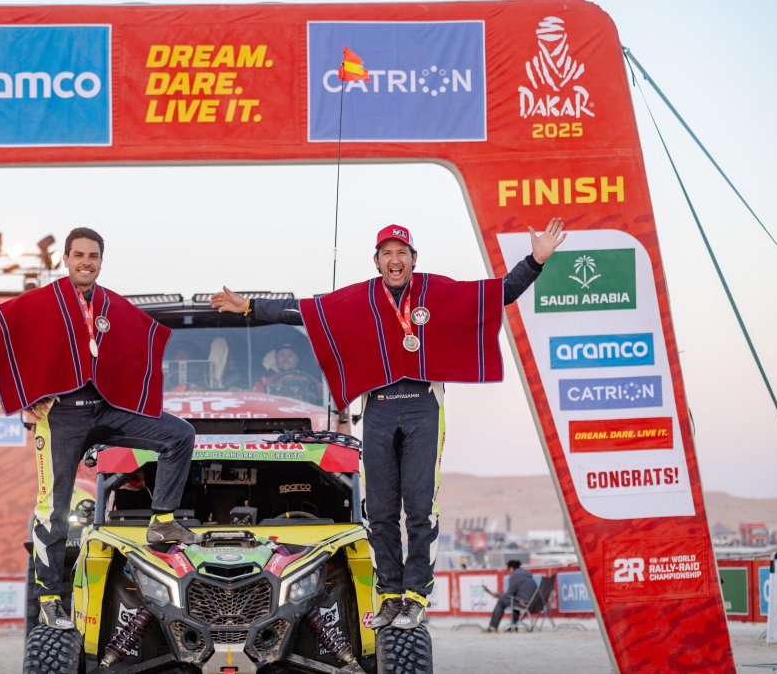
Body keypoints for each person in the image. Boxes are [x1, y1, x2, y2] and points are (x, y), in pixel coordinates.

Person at [211, 218, 565, 630]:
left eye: (402, 253)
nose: (395, 260)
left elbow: (497, 293)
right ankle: (390, 595)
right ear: (376, 261)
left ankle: (415, 596)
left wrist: (536, 261)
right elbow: (305, 310)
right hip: (377, 406)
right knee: (378, 511)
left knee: (419, 509)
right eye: (387, 254)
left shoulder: (439, 291)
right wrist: (249, 306)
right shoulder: (358, 299)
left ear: (414, 260)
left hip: (422, 405)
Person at [0, 227, 198, 631]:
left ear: (100, 261)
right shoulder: (43, 302)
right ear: (65, 258)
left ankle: (161, 521)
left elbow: (142, 340)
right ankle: (48, 600)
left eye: (93, 256)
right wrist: (26, 396)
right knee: (52, 511)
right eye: (79, 255)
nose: (86, 262)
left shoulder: (110, 303)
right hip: (60, 418)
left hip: (107, 409)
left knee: (179, 434)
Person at [485, 560, 538, 632]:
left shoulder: (515, 575)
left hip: (526, 604)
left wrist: (497, 594)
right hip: (535, 605)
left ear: (511, 569)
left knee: (501, 601)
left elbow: (509, 595)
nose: (507, 573)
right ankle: (514, 625)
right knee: (514, 601)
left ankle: (493, 627)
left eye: (507, 570)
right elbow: (512, 595)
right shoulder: (527, 575)